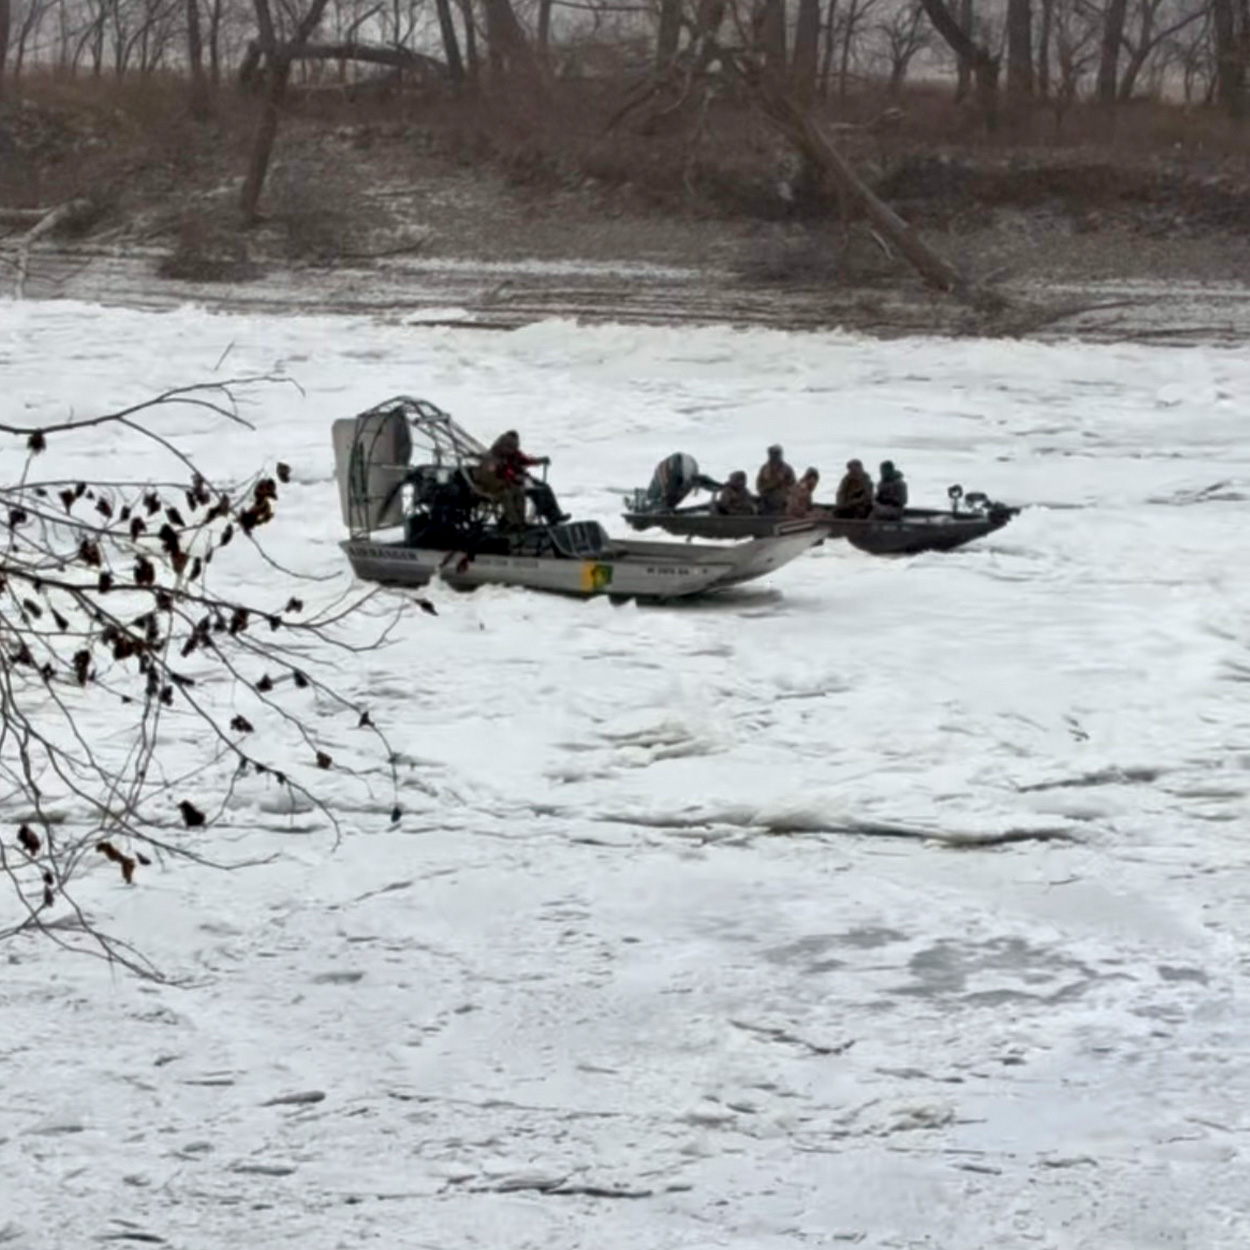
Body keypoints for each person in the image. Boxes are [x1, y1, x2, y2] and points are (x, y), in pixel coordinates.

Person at [644, 452, 721, 511]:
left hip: (679, 467)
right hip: (685, 464)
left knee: (668, 501)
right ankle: (719, 488)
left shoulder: (656, 491)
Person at [756, 444, 796, 514]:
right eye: (772, 454)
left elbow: (793, 485)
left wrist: (787, 494)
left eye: (777, 454)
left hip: (783, 501)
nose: (774, 456)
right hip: (767, 500)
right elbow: (759, 485)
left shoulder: (787, 469)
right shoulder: (764, 469)